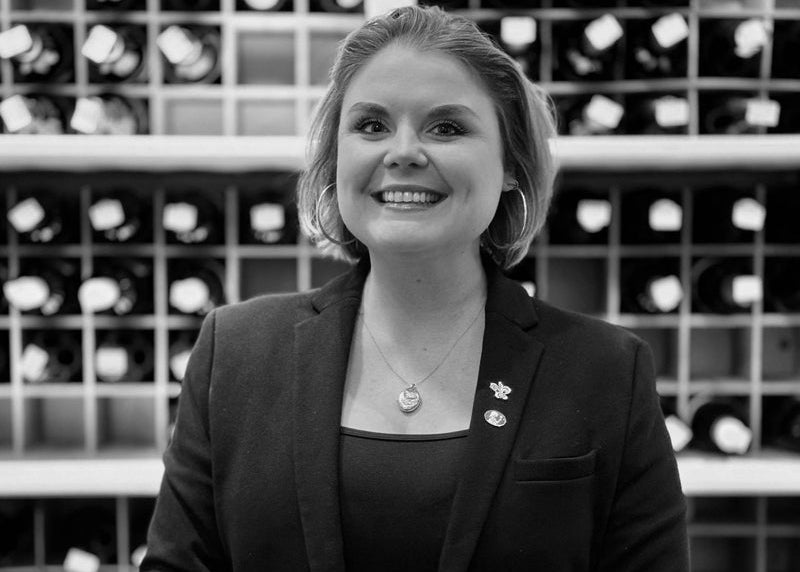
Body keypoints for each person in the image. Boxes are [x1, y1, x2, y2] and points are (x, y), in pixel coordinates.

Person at [142, 5, 689, 571]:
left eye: (447, 127)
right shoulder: (235, 352)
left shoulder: (606, 371)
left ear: (509, 166)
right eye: (371, 125)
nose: (403, 151)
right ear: (336, 158)